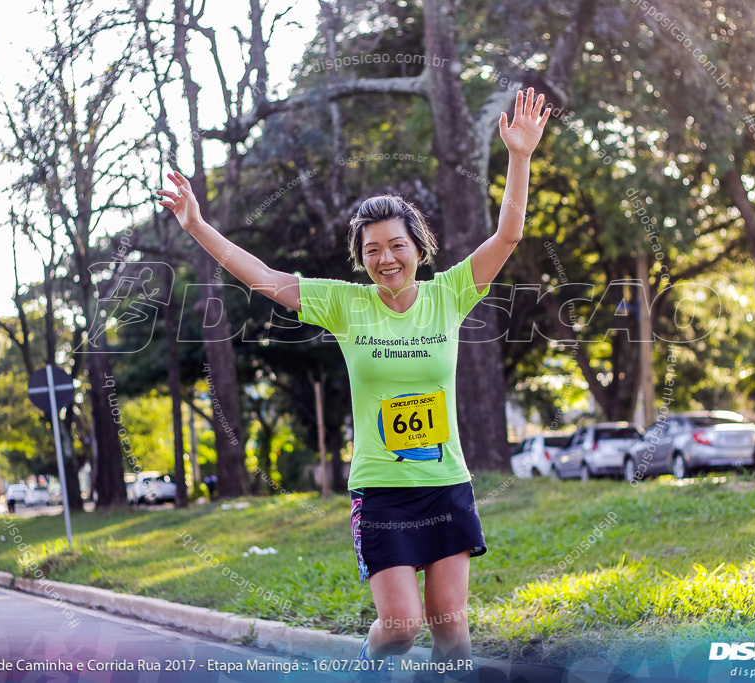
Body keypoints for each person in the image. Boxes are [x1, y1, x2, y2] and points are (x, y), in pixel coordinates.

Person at [157, 87, 550, 673]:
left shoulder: (448, 295)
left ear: (418, 247)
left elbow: (508, 237)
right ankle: (368, 666)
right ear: (361, 259)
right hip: (382, 488)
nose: (385, 258)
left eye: (397, 246)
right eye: (372, 251)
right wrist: (197, 226)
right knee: (399, 628)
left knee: (452, 636)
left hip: (445, 482)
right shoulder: (346, 306)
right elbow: (263, 277)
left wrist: (518, 156)